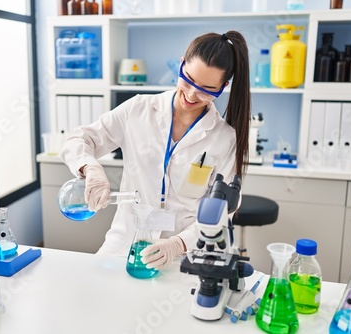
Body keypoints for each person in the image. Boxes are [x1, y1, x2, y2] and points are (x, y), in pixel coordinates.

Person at [61, 30, 251, 270]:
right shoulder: (138, 109)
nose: (192, 95)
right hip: (124, 244)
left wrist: (177, 244)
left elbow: (223, 212)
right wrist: (90, 167)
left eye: (206, 89)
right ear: (181, 64)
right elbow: (78, 139)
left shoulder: (225, 139)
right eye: (188, 79)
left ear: (223, 87)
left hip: (183, 255)